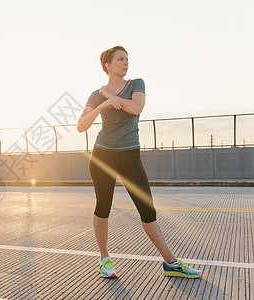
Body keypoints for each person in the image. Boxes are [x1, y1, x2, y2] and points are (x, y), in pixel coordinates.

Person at [76, 46, 202, 279]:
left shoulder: (136, 84)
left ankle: (170, 264)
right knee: (103, 208)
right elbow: (81, 125)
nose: (126, 63)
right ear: (108, 66)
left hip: (130, 155)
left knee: (147, 210)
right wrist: (104, 104)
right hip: (102, 156)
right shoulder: (96, 95)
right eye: (121, 59)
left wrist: (114, 98)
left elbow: (136, 108)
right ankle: (104, 260)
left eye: (127, 59)